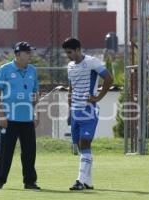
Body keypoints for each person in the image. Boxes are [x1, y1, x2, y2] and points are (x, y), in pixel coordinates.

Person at [62, 38, 113, 190]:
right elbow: (71, 89)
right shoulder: (70, 66)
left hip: (89, 110)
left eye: (70, 52)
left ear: (78, 49)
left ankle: (80, 181)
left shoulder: (92, 62)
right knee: (81, 147)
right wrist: (70, 112)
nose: (68, 56)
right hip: (76, 112)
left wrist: (98, 97)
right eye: (66, 53)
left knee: (85, 143)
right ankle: (88, 181)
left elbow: (109, 78)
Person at [0, 41, 41, 190]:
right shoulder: (5, 70)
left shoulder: (32, 70)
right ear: (18, 54)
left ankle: (30, 181)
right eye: (28, 53)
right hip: (9, 119)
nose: (30, 55)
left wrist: (36, 113)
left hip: (27, 119)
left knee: (29, 152)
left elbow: (35, 93)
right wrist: (1, 115)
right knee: (5, 152)